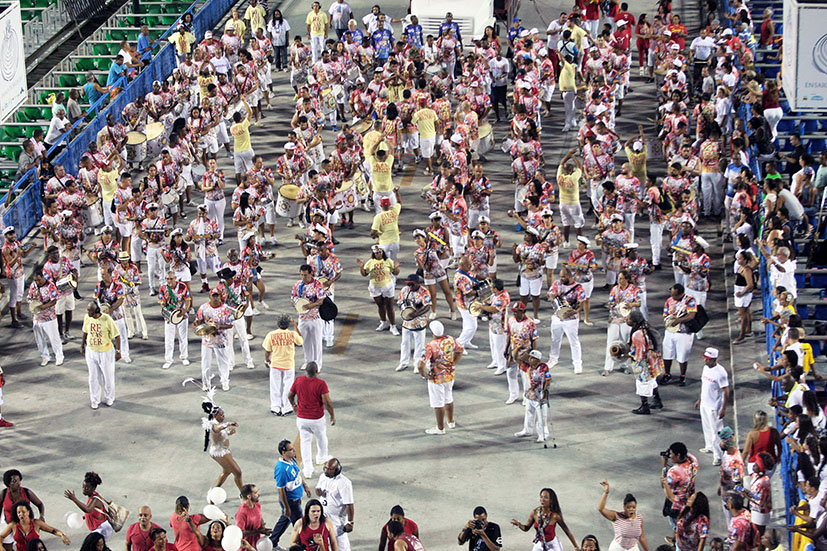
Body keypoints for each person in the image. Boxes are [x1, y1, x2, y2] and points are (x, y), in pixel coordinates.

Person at [289, 362, 335, 479]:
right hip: (316, 418)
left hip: (302, 418)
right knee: (321, 437)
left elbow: (290, 395)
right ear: (317, 371)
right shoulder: (321, 384)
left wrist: (294, 405)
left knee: (305, 442)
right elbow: (327, 402)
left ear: (306, 371)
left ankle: (308, 470)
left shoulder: (298, 381)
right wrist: (332, 415)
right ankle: (321, 457)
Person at [418, 320, 464, 435]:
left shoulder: (430, 346)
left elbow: (420, 365)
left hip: (436, 378)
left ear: (433, 333)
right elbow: (460, 350)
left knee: (438, 403)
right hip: (450, 374)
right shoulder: (451, 340)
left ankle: (440, 428)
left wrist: (425, 375)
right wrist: (453, 364)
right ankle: (451, 421)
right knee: (448, 397)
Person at [270, 440, 311, 550]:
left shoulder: (291, 460)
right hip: (290, 501)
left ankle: (272, 542)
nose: (294, 450)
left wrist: (305, 486)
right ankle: (301, 545)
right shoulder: (281, 470)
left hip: (296, 499)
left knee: (285, 519)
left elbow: (297, 475)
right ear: (283, 452)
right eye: (291, 449)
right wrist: (287, 507)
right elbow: (281, 491)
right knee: (299, 524)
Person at [80, 302, 121, 409]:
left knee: (108, 377)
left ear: (96, 311)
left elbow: (117, 336)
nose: (88, 312)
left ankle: (109, 398)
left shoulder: (107, 319)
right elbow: (85, 332)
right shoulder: (87, 318)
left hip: (105, 352)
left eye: (90, 310)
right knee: (93, 377)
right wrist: (82, 346)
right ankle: (95, 399)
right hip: (91, 351)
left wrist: (118, 351)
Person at [511, 488, 579, 551]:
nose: (542, 499)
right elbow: (526, 528)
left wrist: (576, 547)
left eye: (546, 497)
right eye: (541, 497)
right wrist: (519, 524)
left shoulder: (555, 516)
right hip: (539, 543)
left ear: (551, 500)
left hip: (552, 545)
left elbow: (567, 532)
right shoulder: (535, 512)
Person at [194, 288, 235, 391]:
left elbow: (230, 325)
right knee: (205, 362)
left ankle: (225, 382)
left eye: (217, 296)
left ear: (221, 297)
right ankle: (206, 383)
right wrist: (196, 325)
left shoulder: (225, 309)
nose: (215, 298)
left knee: (223, 362)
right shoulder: (203, 308)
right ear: (210, 297)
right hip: (207, 340)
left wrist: (219, 326)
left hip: (220, 340)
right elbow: (198, 321)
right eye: (214, 296)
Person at [263, 314, 304, 415]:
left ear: (278, 324)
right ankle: (287, 407)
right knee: (289, 387)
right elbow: (301, 341)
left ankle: (275, 407)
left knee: (275, 386)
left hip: (276, 364)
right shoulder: (292, 334)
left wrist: (267, 360)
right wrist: (295, 326)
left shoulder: (271, 335)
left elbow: (268, 350)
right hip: (289, 364)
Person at [695, 347, 730, 466]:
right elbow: (703, 385)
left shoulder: (721, 373)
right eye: (705, 358)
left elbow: (726, 391)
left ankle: (718, 455)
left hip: (714, 407)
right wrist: (700, 399)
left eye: (708, 359)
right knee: (706, 427)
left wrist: (723, 408)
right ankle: (709, 446)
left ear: (714, 359)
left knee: (716, 432)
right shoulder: (705, 368)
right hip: (705, 403)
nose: (705, 361)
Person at [547, 266, 585, 373]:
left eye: (563, 277)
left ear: (569, 276)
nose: (561, 279)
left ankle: (577, 364)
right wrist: (553, 297)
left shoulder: (578, 288)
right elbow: (551, 295)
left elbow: (581, 304)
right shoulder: (557, 283)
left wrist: (574, 312)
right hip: (557, 317)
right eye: (560, 277)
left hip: (571, 319)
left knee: (574, 342)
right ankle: (553, 359)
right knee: (555, 339)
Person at [201, 399, 243, 491]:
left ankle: (214, 492)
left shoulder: (217, 424)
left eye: (224, 414)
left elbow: (220, 434)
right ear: (214, 415)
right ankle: (243, 494)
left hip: (223, 450)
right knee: (238, 472)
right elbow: (218, 429)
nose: (223, 416)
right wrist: (228, 423)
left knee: (227, 471)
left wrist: (228, 432)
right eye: (221, 415)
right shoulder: (214, 425)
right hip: (219, 452)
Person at [661, 443, 699, 540]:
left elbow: (664, 486)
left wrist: (664, 464)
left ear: (678, 455)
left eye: (671, 454)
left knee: (676, 524)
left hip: (676, 503)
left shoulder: (674, 471)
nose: (670, 456)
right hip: (689, 497)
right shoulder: (693, 461)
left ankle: (676, 541)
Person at [292, 265, 327, 371]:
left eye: (305, 275)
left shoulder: (317, 284)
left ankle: (317, 364)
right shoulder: (297, 285)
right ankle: (308, 362)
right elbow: (293, 298)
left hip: (315, 318)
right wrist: (297, 305)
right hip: (302, 318)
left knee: (316, 342)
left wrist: (309, 306)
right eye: (301, 274)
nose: (303, 277)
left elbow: (321, 300)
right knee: (305, 342)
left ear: (311, 273)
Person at [661, 284, 697, 386]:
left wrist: (679, 320)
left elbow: (692, 315)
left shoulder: (690, 301)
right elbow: (665, 313)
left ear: (681, 294)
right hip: (670, 331)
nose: (673, 297)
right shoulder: (669, 300)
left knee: (682, 355)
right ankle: (667, 374)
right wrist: (668, 319)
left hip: (684, 333)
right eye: (672, 294)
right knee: (667, 353)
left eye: (675, 295)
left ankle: (682, 376)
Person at [597, 480, 649, 551]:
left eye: (634, 507)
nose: (631, 509)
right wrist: (606, 491)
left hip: (633, 548)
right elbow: (601, 508)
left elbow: (642, 537)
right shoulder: (616, 516)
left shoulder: (639, 518)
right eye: (628, 507)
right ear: (624, 507)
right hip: (618, 548)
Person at [315, 459, 354, 551]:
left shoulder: (344, 483)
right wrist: (318, 492)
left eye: (330, 469)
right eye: (326, 468)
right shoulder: (323, 477)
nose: (327, 471)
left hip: (337, 520)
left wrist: (350, 522)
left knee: (341, 545)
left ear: (337, 469)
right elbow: (318, 489)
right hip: (324, 517)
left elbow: (349, 504)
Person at [27, 268, 64, 367]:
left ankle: (59, 356)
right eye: (35, 280)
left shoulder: (50, 285)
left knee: (54, 338)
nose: (37, 282)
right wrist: (32, 302)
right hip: (37, 318)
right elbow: (28, 298)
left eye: (39, 280)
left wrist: (43, 307)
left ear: (43, 277)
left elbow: (54, 300)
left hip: (49, 318)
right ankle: (45, 357)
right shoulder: (33, 286)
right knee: (40, 340)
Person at [396, 274, 431, 372]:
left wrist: (416, 314)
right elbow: (399, 302)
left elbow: (427, 306)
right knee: (405, 343)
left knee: (419, 344)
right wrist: (404, 311)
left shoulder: (424, 292)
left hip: (419, 322)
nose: (410, 287)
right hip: (407, 322)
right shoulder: (405, 290)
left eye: (412, 284)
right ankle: (403, 362)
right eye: (409, 284)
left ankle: (417, 364)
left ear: (418, 283)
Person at [514, 350, 551, 444]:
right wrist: (517, 349)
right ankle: (527, 430)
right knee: (529, 413)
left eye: (532, 358)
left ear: (538, 360)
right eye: (529, 357)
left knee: (541, 417)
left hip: (540, 396)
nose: (530, 359)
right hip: (529, 395)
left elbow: (548, 379)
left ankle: (543, 435)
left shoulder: (543, 367)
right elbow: (516, 359)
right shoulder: (527, 367)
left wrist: (545, 393)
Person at [0, 501, 69, 551]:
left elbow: (53, 530)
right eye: (18, 512)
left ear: (28, 512)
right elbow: (1, 536)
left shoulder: (36, 523)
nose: (21, 514)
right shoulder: (13, 525)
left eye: (23, 512)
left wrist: (62, 535)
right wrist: (1, 547)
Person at [63, 472, 113, 540]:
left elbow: (88, 509)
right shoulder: (94, 495)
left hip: (102, 530)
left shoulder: (95, 499)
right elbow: (93, 511)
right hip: (99, 529)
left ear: (93, 488)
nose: (84, 489)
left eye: (87, 488)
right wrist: (85, 517)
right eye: (83, 487)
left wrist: (74, 499)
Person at [159, 272, 191, 370]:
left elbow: (188, 299)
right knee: (169, 338)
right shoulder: (163, 288)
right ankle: (168, 360)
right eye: (167, 279)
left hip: (182, 315)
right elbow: (162, 303)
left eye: (171, 279)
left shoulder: (182, 286)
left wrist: (185, 310)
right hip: (170, 316)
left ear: (175, 278)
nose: (169, 281)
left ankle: (184, 357)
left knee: (183, 337)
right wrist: (169, 312)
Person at [741, 411, 782, 477]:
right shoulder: (774, 431)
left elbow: (746, 451)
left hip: (754, 463)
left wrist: (741, 462)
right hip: (769, 464)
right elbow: (779, 446)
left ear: (755, 421)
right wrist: (778, 457)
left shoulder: (752, 434)